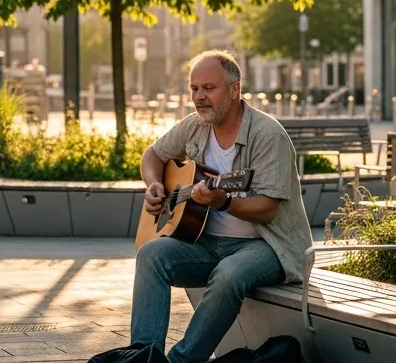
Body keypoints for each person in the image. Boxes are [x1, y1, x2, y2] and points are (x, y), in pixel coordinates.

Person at [131, 50, 312, 363]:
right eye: (194, 89)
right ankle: (142, 357)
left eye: (208, 88)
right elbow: (153, 155)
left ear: (234, 89)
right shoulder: (195, 126)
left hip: (269, 245)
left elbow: (267, 209)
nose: (199, 97)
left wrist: (224, 201)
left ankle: (180, 361)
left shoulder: (268, 135)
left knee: (229, 273)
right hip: (207, 242)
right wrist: (154, 185)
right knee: (151, 254)